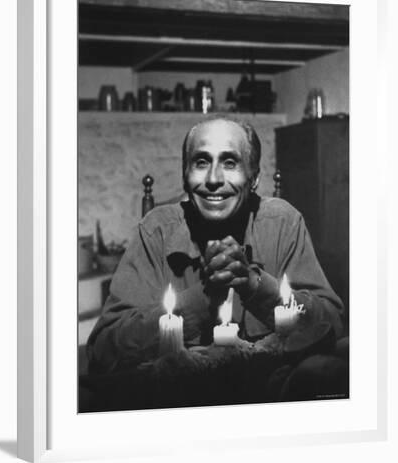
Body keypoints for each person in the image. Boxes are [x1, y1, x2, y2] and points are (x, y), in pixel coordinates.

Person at [86, 116, 345, 375]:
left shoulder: (282, 223)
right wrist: (201, 300)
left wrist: (255, 286)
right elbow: (104, 348)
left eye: (230, 162)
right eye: (201, 162)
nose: (213, 179)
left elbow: (332, 323)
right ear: (184, 176)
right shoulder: (158, 231)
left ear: (254, 178)